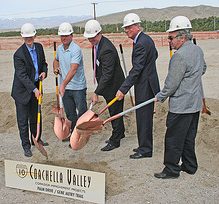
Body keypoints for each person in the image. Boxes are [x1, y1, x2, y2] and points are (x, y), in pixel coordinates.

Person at [154, 16, 207, 179]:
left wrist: (160, 96)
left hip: (181, 106)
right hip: (195, 105)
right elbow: (202, 69)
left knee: (173, 139)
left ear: (182, 36)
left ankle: (171, 169)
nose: (169, 41)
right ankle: (190, 166)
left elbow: (171, 83)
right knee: (189, 137)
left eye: (170, 37)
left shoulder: (179, 56)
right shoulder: (197, 50)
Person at [116, 13, 160, 159]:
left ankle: (146, 150)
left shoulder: (141, 42)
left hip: (145, 85)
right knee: (142, 116)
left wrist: (123, 88)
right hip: (146, 82)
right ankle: (143, 146)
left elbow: (137, 69)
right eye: (125, 28)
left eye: (129, 27)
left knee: (144, 117)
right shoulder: (145, 39)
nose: (127, 30)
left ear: (137, 26)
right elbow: (155, 55)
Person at [84, 19, 125, 151]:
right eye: (89, 38)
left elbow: (107, 74)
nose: (91, 40)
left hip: (114, 86)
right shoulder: (98, 45)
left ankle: (115, 140)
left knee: (115, 112)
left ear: (99, 33)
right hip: (108, 85)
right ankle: (121, 133)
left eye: (93, 37)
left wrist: (96, 92)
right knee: (115, 111)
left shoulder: (106, 49)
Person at [11, 23, 48, 157]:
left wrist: (44, 72)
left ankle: (36, 139)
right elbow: (22, 76)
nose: (29, 39)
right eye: (26, 37)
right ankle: (26, 146)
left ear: (34, 35)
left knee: (35, 116)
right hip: (22, 92)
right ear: (23, 37)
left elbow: (43, 63)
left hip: (35, 88)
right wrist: (33, 89)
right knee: (23, 121)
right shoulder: (19, 54)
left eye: (31, 36)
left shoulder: (39, 47)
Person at [53, 22, 87, 142]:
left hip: (78, 87)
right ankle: (73, 134)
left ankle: (82, 135)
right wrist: (55, 68)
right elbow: (56, 60)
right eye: (62, 35)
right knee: (70, 113)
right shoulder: (60, 49)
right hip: (66, 88)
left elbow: (73, 69)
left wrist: (63, 84)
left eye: (66, 35)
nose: (64, 38)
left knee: (82, 112)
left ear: (72, 35)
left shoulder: (76, 49)